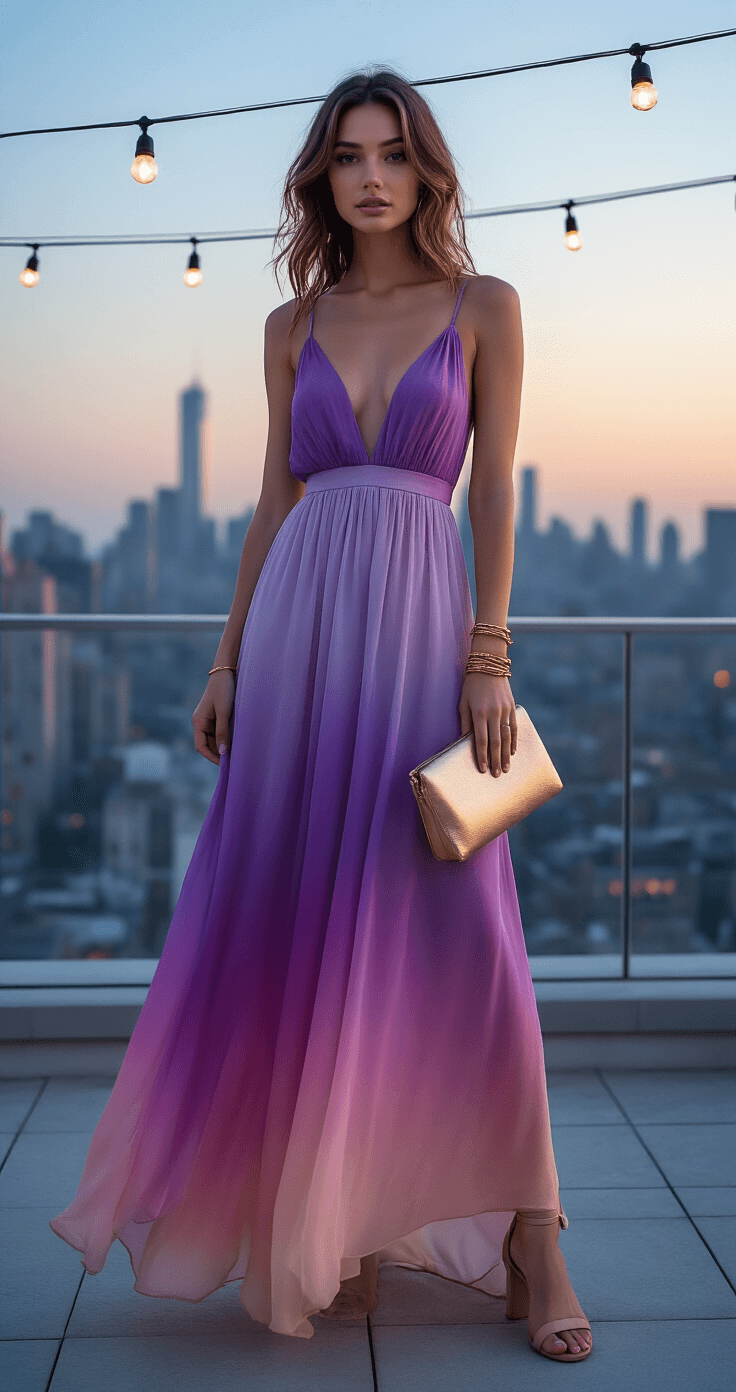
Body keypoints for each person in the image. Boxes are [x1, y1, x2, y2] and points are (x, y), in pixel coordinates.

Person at [50, 68, 591, 1363]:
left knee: (470, 936)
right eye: (348, 155)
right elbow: (275, 502)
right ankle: (328, 1213)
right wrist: (228, 660)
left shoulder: (487, 307)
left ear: (426, 171)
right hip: (296, 647)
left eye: (393, 153)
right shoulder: (292, 325)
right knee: (298, 926)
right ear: (322, 177)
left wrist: (490, 653)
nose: (370, 176)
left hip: (422, 643)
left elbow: (495, 491)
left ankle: (536, 1235)